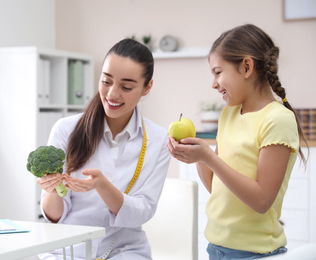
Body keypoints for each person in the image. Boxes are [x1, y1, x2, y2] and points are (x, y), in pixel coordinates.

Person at [167, 24, 308, 259]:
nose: (213, 83)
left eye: (218, 72)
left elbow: (261, 200)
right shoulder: (229, 114)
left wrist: (208, 157)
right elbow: (218, 187)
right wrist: (197, 158)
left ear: (246, 67)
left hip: (255, 252)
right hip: (216, 246)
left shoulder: (277, 119)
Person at [36, 38, 171, 260]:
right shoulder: (65, 130)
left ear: (147, 87)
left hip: (124, 250)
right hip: (68, 248)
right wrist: (52, 191)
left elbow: (143, 211)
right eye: (106, 81)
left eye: (126, 87)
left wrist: (103, 187)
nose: (112, 94)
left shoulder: (158, 140)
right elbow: (55, 216)